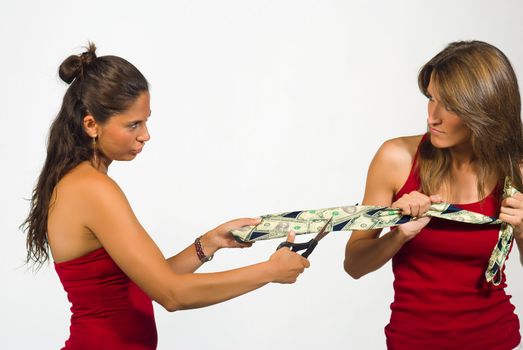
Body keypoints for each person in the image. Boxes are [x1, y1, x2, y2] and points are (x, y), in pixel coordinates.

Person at [22, 43, 310, 350]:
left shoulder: (79, 182)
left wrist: (209, 242)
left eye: (146, 120)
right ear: (91, 124)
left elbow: (147, 283)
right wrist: (269, 271)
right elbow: (172, 295)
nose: (145, 134)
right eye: (133, 124)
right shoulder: (92, 188)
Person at [344, 40, 522, 350]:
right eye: (431, 98)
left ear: (485, 109)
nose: (432, 116)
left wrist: (522, 229)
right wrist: (398, 235)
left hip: (496, 339)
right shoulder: (396, 158)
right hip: (411, 342)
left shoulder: (516, 169)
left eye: (449, 105)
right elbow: (354, 265)